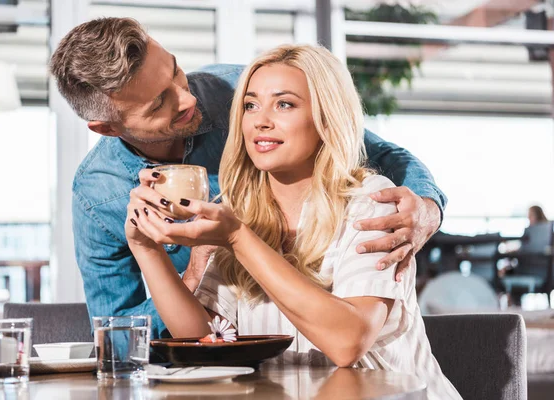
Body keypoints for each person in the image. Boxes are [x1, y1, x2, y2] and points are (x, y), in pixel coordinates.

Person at [49, 17, 447, 338]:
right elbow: (120, 336)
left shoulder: (244, 88)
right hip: (249, 367)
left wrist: (427, 208)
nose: (187, 99)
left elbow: (377, 153)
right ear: (107, 128)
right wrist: (182, 272)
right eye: (159, 104)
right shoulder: (97, 194)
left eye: (175, 72)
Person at [126, 44, 461, 399]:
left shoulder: (372, 201)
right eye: (250, 105)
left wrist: (238, 239)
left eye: (284, 104)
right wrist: (147, 249)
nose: (260, 120)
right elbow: (209, 341)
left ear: (326, 118)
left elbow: (348, 342)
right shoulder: (241, 212)